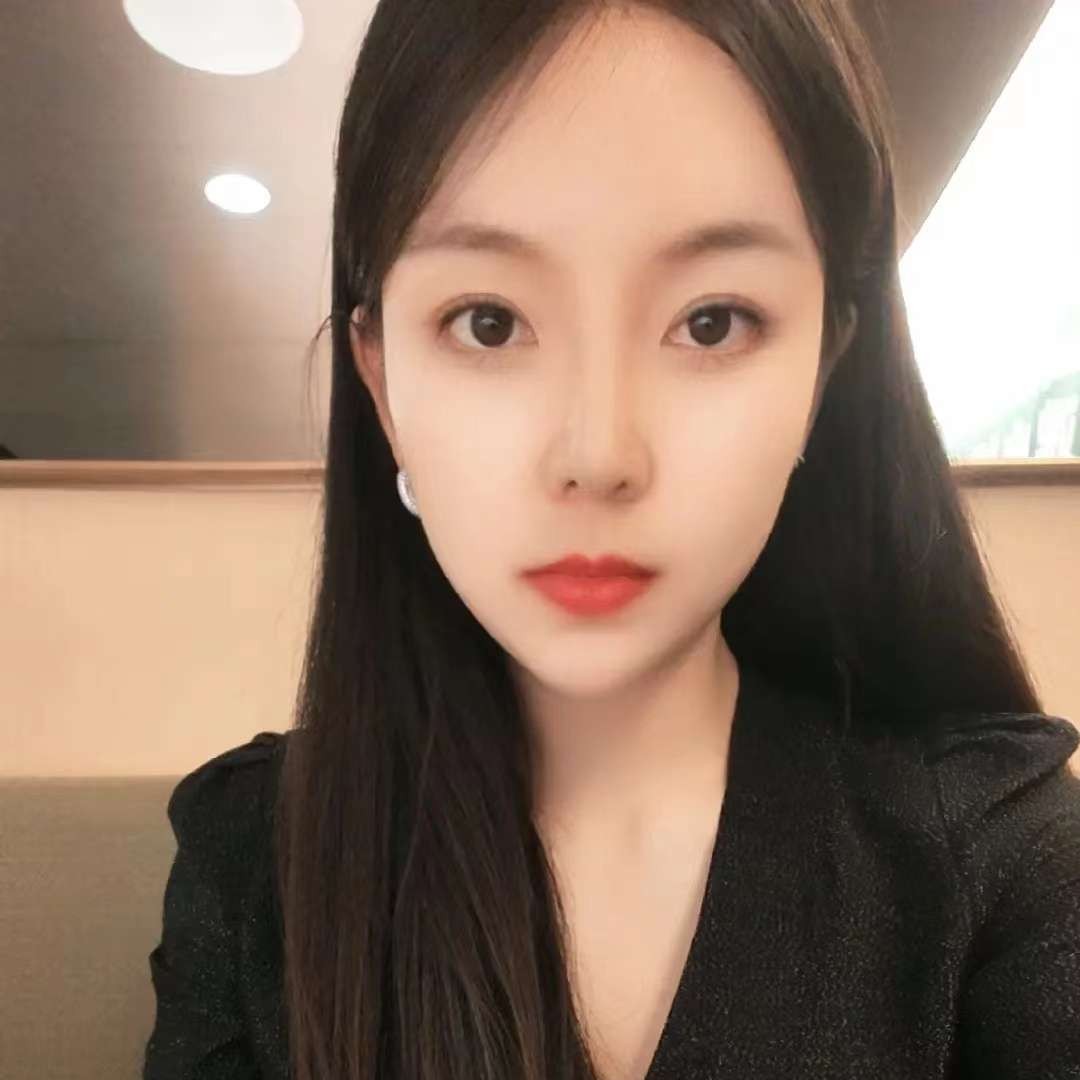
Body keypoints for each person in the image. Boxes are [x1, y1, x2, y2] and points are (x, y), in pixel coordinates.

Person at [143, 2, 1080, 1078]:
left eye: (712, 321)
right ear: (382, 383)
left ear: (822, 373)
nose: (598, 454)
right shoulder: (255, 859)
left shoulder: (996, 858)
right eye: (489, 321)